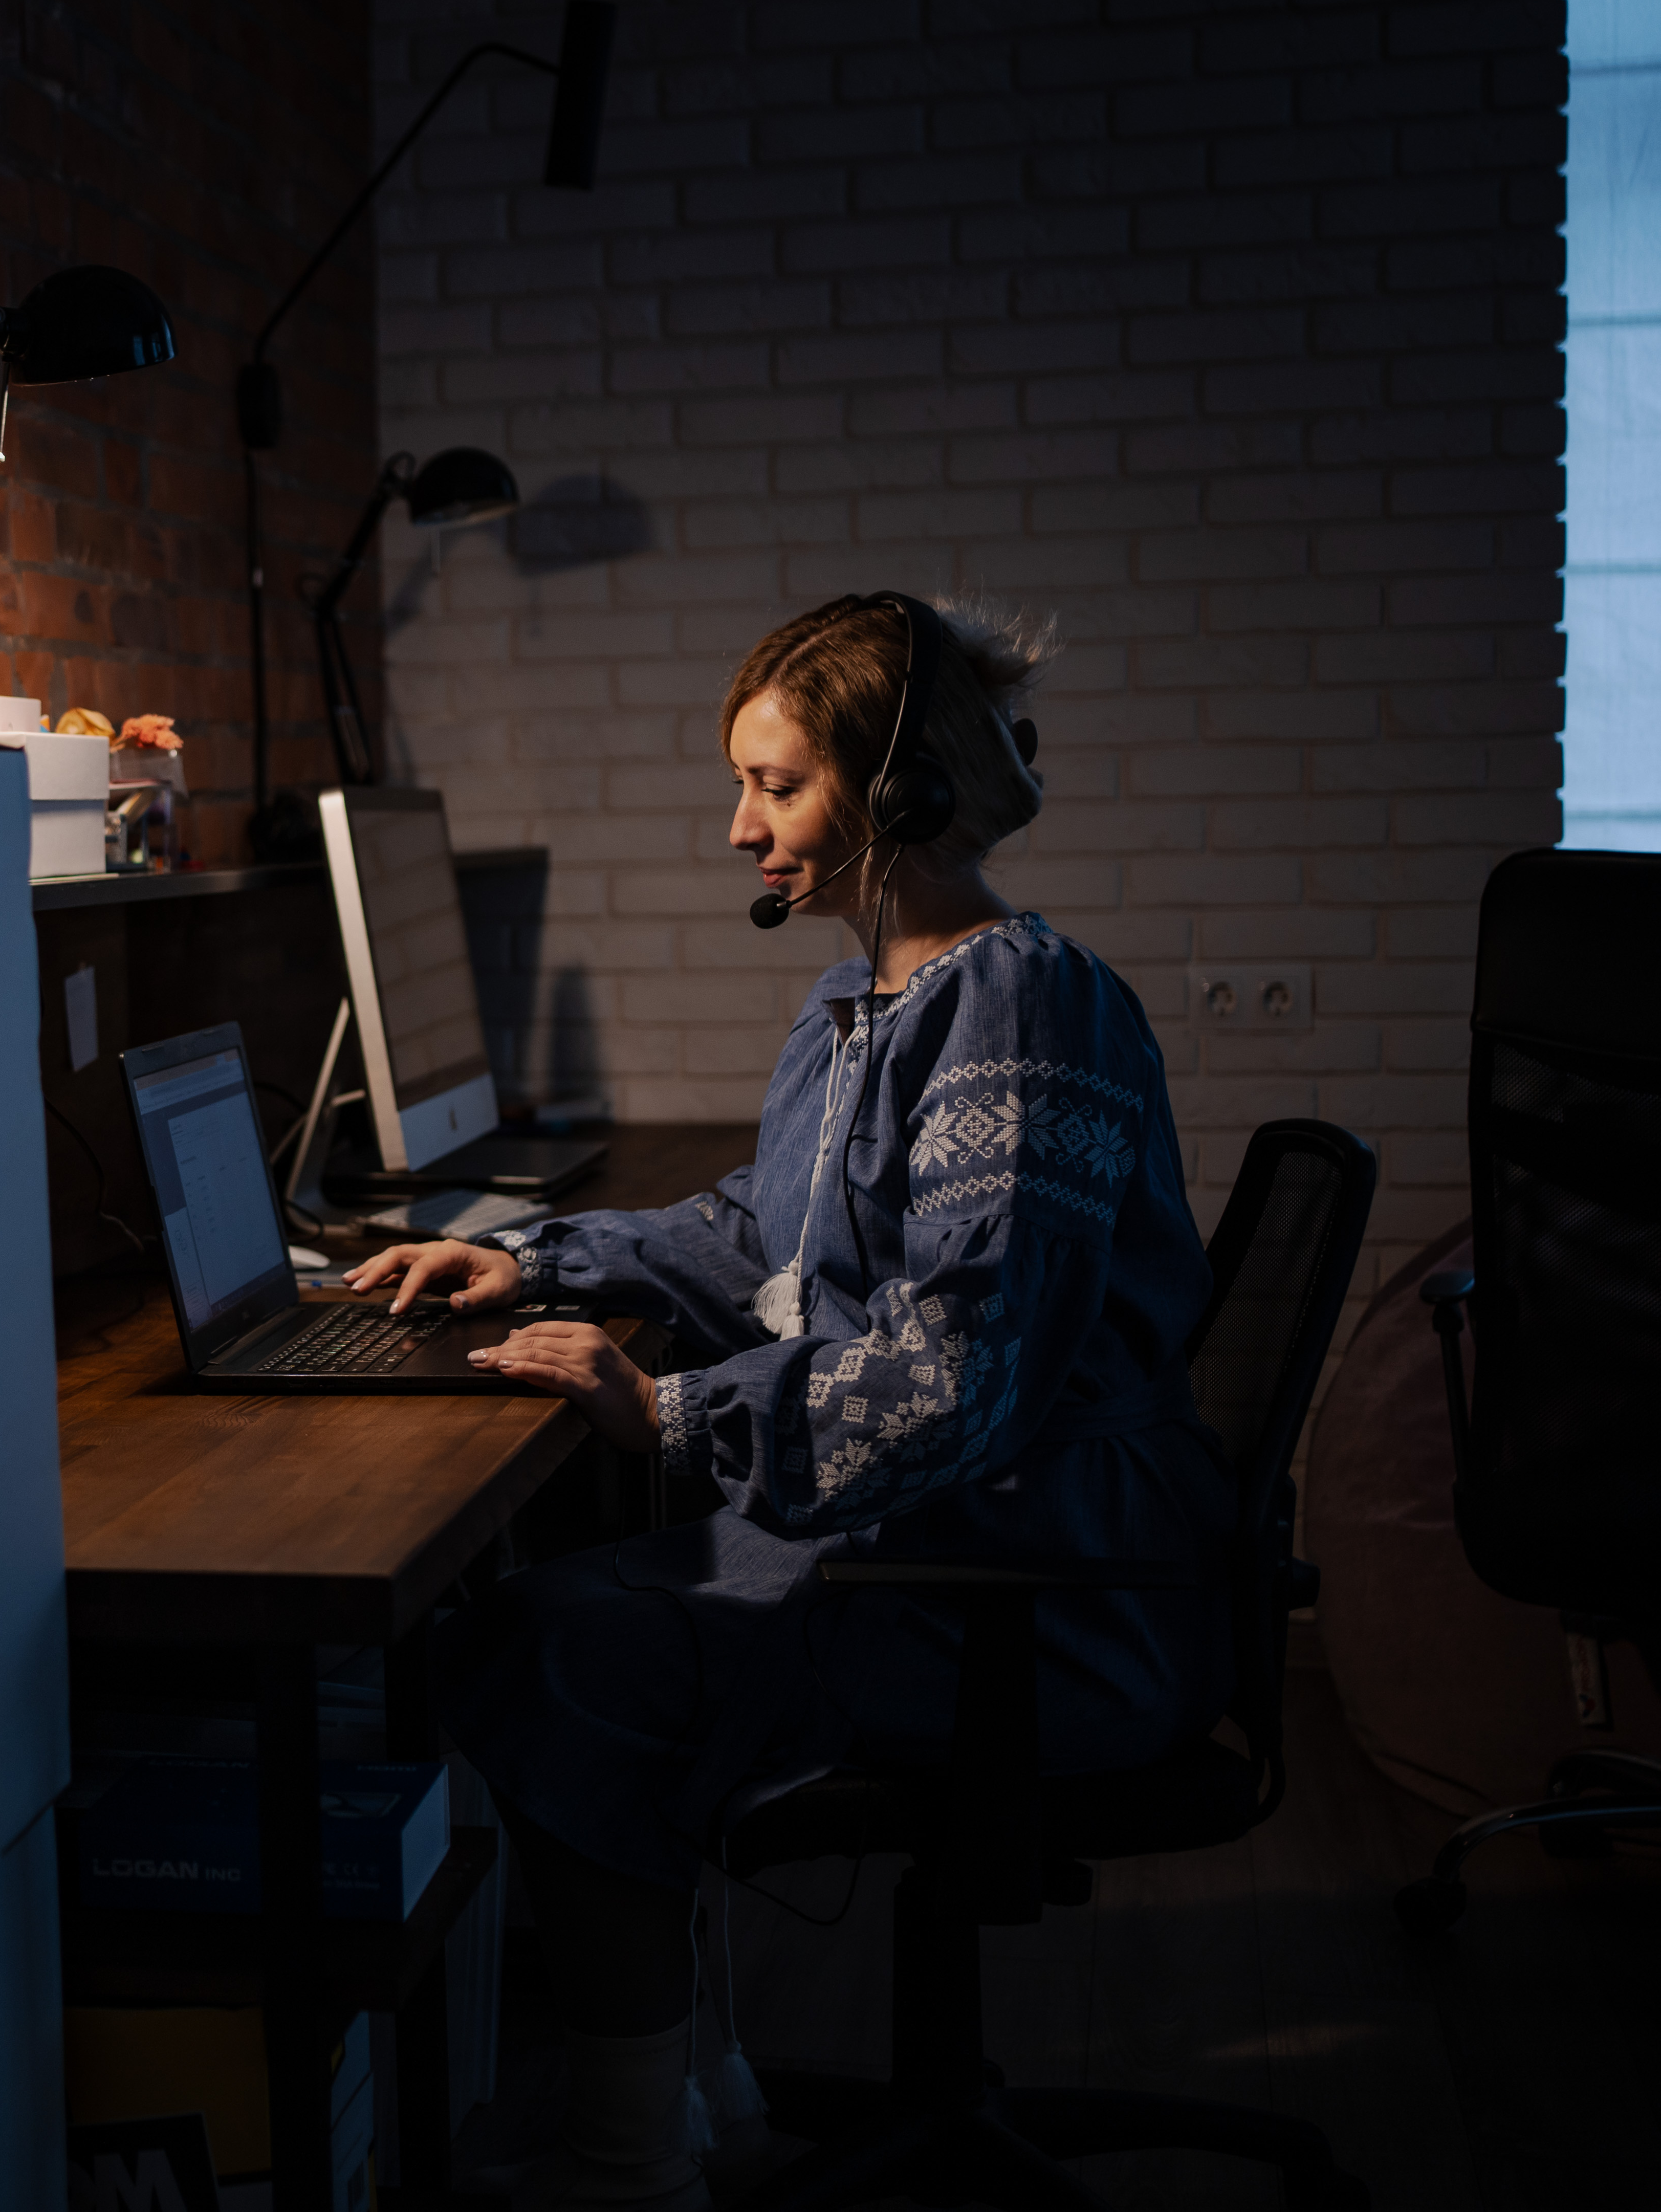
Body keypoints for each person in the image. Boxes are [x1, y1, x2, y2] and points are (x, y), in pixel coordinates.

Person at [344, 595, 1226, 2210]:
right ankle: (705, 2098)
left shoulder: (1016, 1011)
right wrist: (533, 1261)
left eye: (776, 785)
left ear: (896, 794)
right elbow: (759, 1233)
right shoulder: (862, 1009)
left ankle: (633, 2160)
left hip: (1028, 1584)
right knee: (563, 1617)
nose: (737, 825)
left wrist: (671, 1420)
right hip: (939, 1544)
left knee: (553, 1646)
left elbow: (962, 1374)